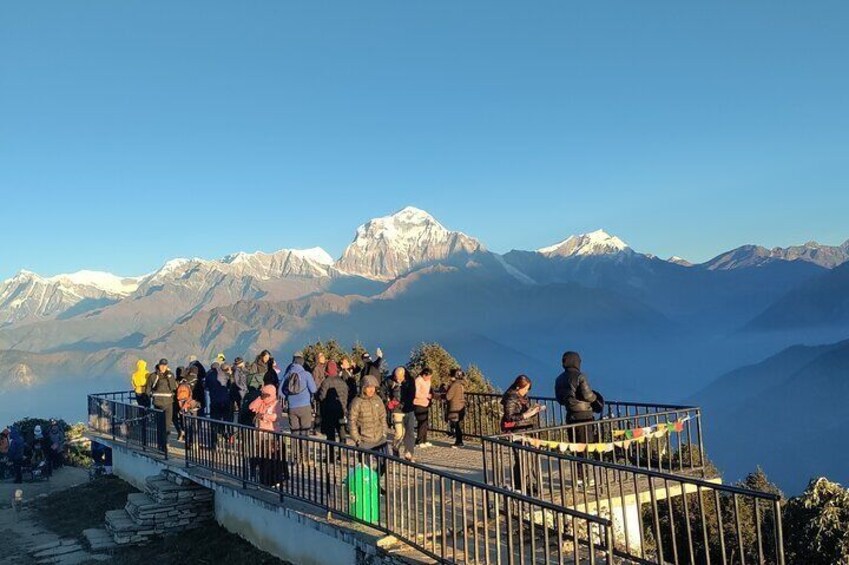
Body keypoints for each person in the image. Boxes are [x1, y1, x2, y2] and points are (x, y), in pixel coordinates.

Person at [554, 351, 600, 483]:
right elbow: (588, 396)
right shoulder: (580, 376)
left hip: (571, 415)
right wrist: (596, 398)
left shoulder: (559, 378)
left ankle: (579, 476)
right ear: (576, 362)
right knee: (584, 446)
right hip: (584, 416)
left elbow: (559, 399)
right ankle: (584, 477)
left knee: (576, 446)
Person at [501, 375, 546, 493]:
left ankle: (526, 484)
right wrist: (526, 415)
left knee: (526, 459)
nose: (527, 391)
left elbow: (523, 412)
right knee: (520, 459)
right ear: (518, 386)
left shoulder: (522, 397)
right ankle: (521, 486)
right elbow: (509, 417)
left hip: (525, 429)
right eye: (526, 388)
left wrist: (533, 410)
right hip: (516, 430)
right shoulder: (511, 398)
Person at [348, 375, 389, 471]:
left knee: (384, 464)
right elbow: (352, 421)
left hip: (379, 438)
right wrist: (357, 439)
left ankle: (377, 482)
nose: (371, 390)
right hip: (364, 440)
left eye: (373, 387)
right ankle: (369, 485)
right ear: (363, 388)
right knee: (365, 469)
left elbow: (383, 417)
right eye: (369, 387)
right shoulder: (357, 402)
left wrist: (384, 432)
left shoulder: (378, 399)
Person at [248, 384, 286, 486]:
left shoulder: (276, 404)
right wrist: (260, 398)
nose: (265, 397)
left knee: (271, 458)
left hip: (272, 434)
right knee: (263, 458)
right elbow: (251, 407)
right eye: (263, 394)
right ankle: (264, 479)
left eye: (266, 395)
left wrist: (264, 416)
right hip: (261, 434)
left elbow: (277, 417)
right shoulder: (261, 402)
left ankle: (274, 478)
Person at [281, 353, 317, 435]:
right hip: (305, 406)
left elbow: (282, 390)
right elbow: (313, 389)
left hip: (292, 407)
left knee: (294, 432)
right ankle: (303, 447)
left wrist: (288, 395)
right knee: (305, 432)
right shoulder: (306, 374)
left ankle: (294, 447)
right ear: (302, 363)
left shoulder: (288, 375)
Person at [145, 358, 177, 451]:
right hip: (163, 403)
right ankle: (163, 443)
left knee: (164, 425)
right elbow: (173, 388)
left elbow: (148, 390)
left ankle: (163, 443)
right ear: (159, 365)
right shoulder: (155, 376)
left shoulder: (156, 376)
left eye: (164, 365)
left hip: (163, 403)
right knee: (163, 425)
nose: (163, 367)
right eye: (162, 365)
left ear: (167, 366)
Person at [317, 360, 349, 444]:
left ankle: (331, 454)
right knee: (341, 432)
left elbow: (322, 397)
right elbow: (346, 397)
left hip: (329, 412)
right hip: (341, 410)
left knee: (330, 435)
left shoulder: (326, 382)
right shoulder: (342, 382)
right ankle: (343, 452)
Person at [382, 367, 408, 457]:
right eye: (396, 376)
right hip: (396, 409)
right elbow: (381, 391)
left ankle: (397, 447)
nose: (397, 379)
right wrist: (387, 401)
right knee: (399, 432)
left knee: (404, 432)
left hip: (406, 408)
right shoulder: (389, 380)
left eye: (400, 377)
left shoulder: (408, 381)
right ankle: (395, 449)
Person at [445, 369, 467, 448]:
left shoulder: (454, 385)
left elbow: (448, 397)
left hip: (455, 407)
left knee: (456, 425)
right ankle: (459, 441)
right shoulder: (461, 384)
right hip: (461, 407)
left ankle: (459, 442)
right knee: (457, 425)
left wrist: (446, 390)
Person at [413, 368, 434, 448]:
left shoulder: (428, 381)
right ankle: (419, 441)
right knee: (421, 422)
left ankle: (424, 440)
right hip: (418, 403)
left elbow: (428, 390)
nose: (429, 379)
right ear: (424, 375)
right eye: (428, 377)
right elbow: (416, 393)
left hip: (425, 403)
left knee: (425, 423)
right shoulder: (418, 380)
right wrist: (426, 395)